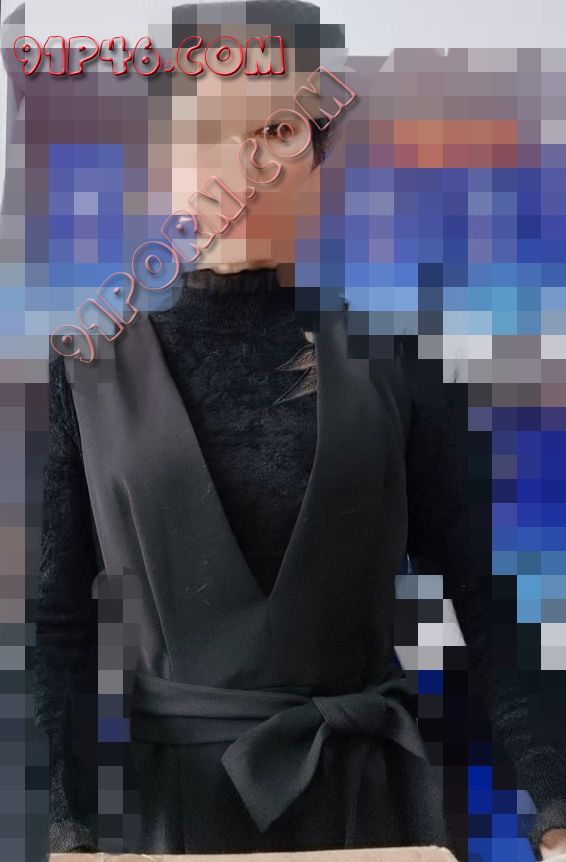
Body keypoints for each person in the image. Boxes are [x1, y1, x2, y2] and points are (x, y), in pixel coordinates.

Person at [6, 1, 566, 859]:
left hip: (374, 813)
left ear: (320, 161)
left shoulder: (402, 363)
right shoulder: (84, 370)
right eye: (209, 132)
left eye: (277, 131)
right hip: (167, 822)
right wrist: (58, 827)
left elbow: (487, 604)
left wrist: (556, 809)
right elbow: (54, 625)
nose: (246, 166)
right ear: (162, 158)